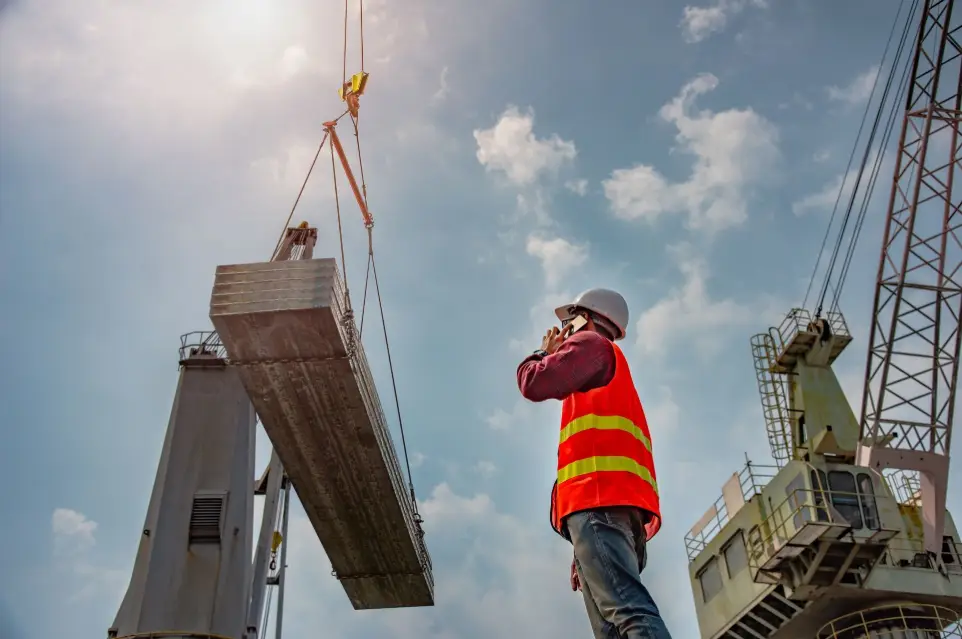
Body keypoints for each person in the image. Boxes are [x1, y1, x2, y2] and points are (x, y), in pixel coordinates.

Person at [516, 288, 672, 639]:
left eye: (569, 320)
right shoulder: (604, 366)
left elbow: (533, 381)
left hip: (599, 505)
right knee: (612, 629)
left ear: (587, 317)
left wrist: (544, 352)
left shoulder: (592, 346)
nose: (564, 329)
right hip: (607, 511)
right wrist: (581, 549)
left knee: (628, 611)